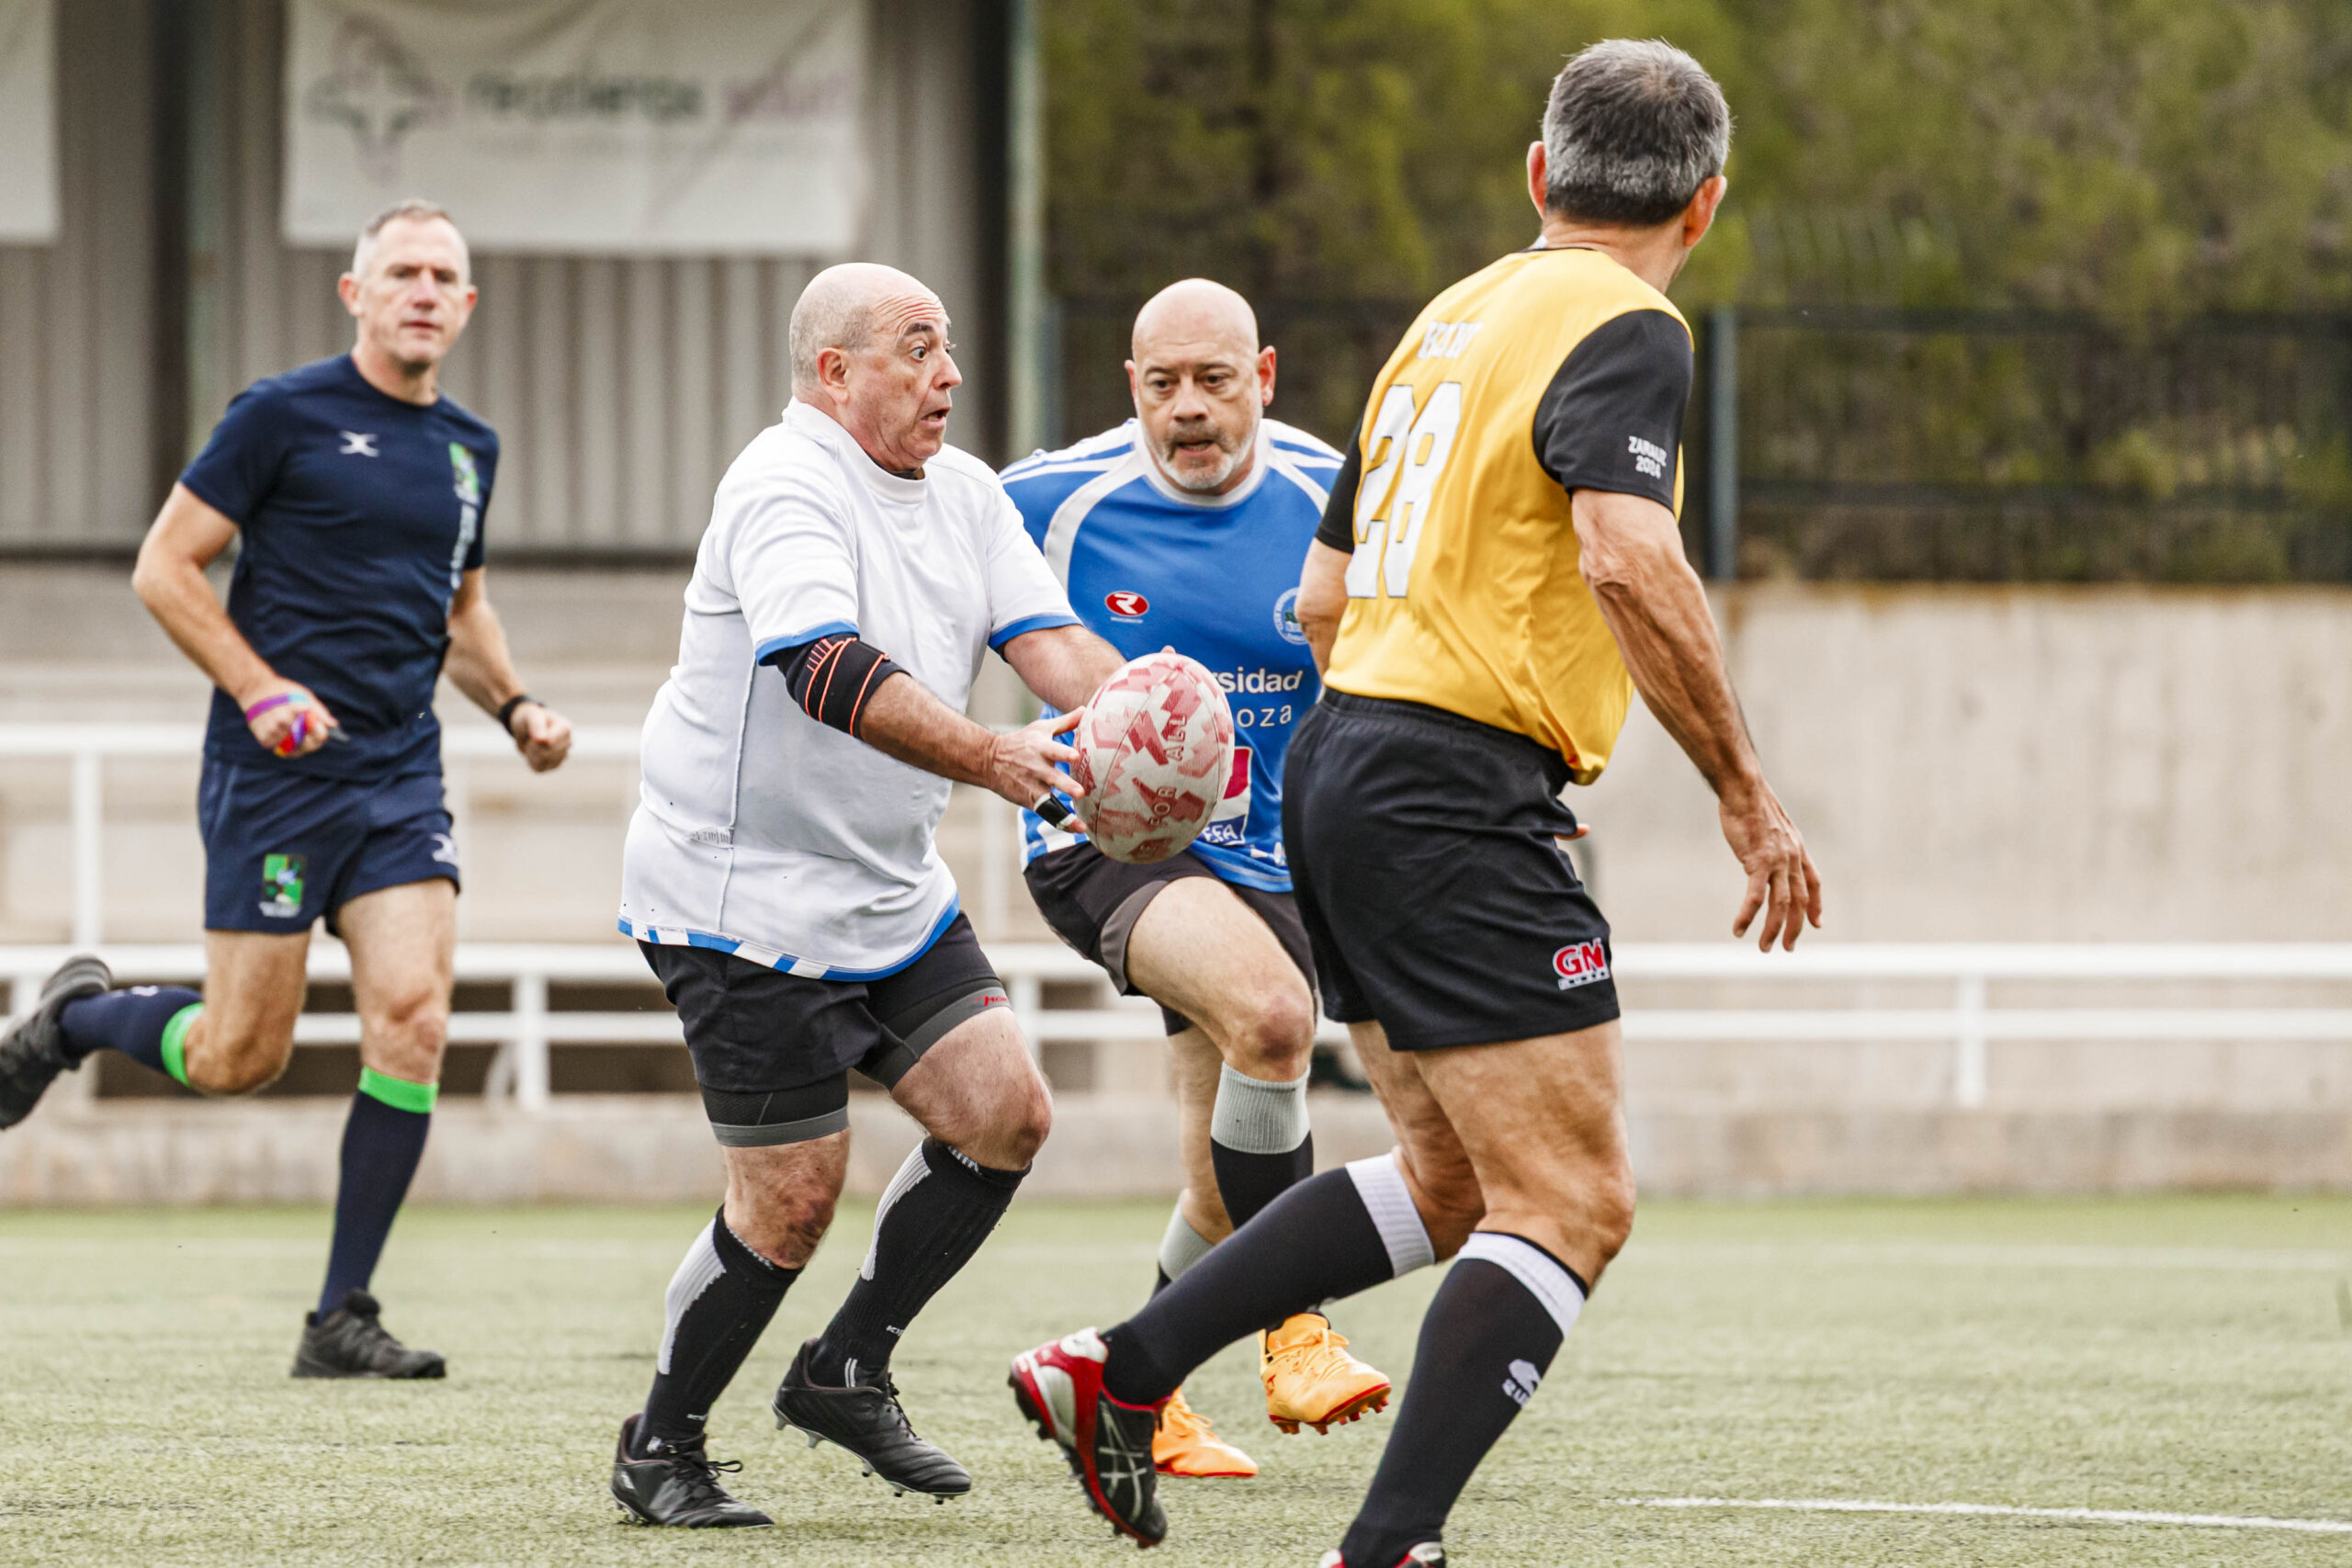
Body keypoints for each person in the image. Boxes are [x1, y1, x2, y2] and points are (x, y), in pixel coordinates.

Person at [1012, 39, 1825, 1561]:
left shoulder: (1446, 321)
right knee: (1573, 1199)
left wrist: (1393, 749)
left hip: (1345, 760)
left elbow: (1322, 598)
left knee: (1457, 1180)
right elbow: (1629, 557)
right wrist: (1744, 790)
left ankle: (1115, 1370)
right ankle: (1388, 1541)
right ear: (1702, 208)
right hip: (1450, 785)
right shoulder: (1632, 323)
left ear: (1538, 178)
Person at [0, 199, 573, 1380]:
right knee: (236, 1056)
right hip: (275, 775)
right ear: (353, 293)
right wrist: (260, 689)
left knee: (412, 1020)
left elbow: (459, 611)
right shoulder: (280, 415)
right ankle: (74, 1020)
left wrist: (515, 707)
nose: (422, 289)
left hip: (399, 772)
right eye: (399, 270)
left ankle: (340, 1317)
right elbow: (164, 566)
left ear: (465, 308)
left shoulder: (472, 447)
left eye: (443, 276)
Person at [606, 262, 1126, 1529]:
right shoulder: (782, 481)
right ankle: (659, 1444)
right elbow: (824, 669)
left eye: (948, 346)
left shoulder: (968, 489)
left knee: (1005, 1113)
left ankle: (846, 1365)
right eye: (917, 347)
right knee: (789, 1198)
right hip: (742, 898)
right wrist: (1003, 755)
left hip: (888, 886)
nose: (948, 373)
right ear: (834, 371)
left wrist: (1154, 717)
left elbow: (1049, 646)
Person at [1000, 278, 1388, 1483]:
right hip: (1109, 840)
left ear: (1263, 377)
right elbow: (914, 564)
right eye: (1162, 383)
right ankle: (1299, 1325)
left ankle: (1129, 1385)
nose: (1188, 408)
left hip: (1272, 858)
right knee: (1276, 1018)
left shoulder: (1337, 494)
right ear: (1131, 388)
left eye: (1213, 380)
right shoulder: (1047, 498)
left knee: (1219, 1177)